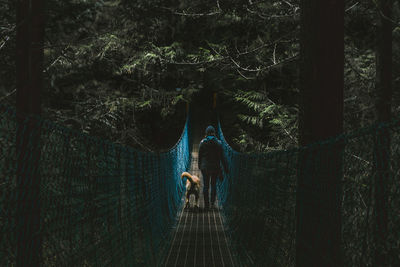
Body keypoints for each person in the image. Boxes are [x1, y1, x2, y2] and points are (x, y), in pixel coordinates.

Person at [198, 125, 229, 210]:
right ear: (214, 133)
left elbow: (200, 155)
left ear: (206, 133)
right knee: (213, 185)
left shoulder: (202, 142)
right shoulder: (218, 143)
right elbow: (222, 157)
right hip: (215, 167)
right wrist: (226, 169)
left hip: (205, 167)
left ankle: (206, 205)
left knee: (206, 186)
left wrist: (199, 166)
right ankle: (212, 204)